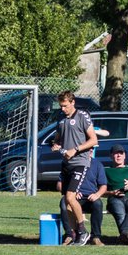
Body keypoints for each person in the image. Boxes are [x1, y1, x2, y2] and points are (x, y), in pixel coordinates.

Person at [49, 91, 99, 245]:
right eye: (61, 106)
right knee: (66, 200)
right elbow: (57, 140)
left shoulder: (82, 116)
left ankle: (83, 231)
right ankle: (74, 233)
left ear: (72, 102)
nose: (62, 109)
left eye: (65, 106)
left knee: (71, 197)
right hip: (66, 164)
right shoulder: (61, 119)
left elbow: (93, 140)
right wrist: (55, 145)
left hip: (80, 162)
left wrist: (75, 150)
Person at [57, 156, 107, 245]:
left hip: (90, 198)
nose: (90, 151)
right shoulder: (71, 163)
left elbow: (103, 185)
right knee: (64, 203)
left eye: (92, 149)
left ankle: (96, 237)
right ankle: (70, 235)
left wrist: (97, 194)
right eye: (88, 149)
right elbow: (59, 185)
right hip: (75, 197)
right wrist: (73, 192)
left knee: (98, 204)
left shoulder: (97, 165)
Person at [105, 144, 128, 243]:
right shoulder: (107, 171)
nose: (118, 156)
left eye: (121, 153)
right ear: (111, 156)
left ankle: (125, 236)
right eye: (115, 154)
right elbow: (100, 191)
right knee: (120, 214)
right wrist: (111, 192)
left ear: (124, 156)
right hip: (115, 199)